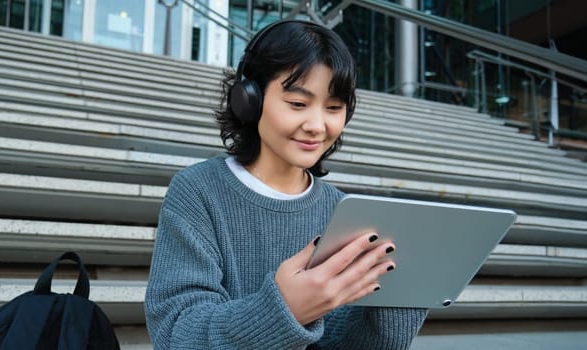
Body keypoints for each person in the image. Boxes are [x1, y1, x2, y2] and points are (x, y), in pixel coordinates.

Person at [145, 20, 428, 349]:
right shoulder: (198, 191)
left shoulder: (344, 212)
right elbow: (177, 333)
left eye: (334, 108)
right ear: (249, 98)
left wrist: (404, 296)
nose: (317, 125)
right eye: (298, 104)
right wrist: (284, 310)